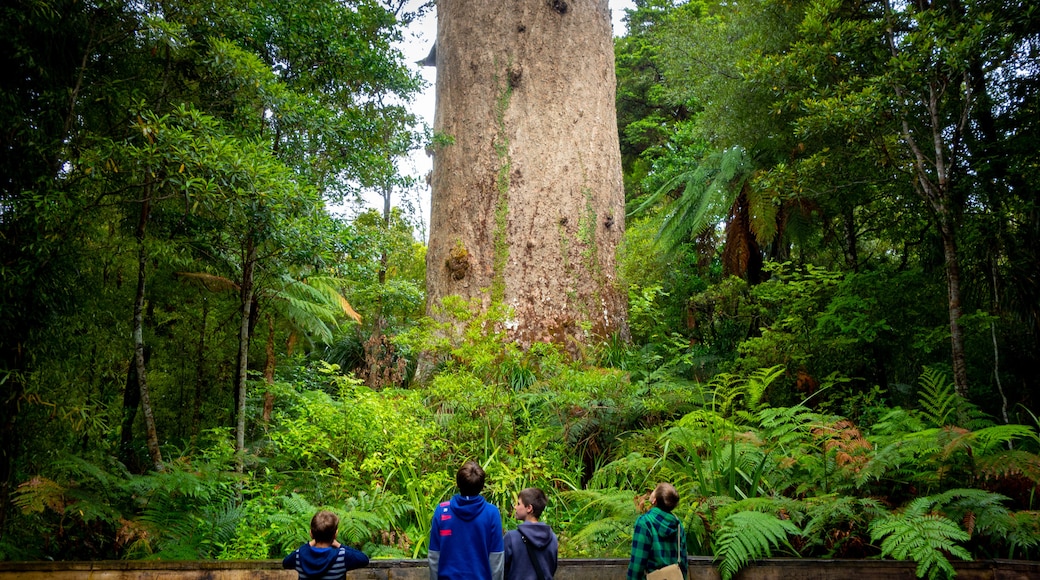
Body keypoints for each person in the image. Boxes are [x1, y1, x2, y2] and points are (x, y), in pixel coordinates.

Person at [428, 460, 505, 580]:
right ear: (481, 486)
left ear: (458, 483)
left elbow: (434, 556)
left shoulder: (442, 510)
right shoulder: (492, 513)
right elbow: (496, 560)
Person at [282, 510, 369, 580]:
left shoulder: (299, 555)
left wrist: (310, 543)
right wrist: (339, 545)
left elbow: (285, 563)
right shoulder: (342, 556)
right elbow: (364, 559)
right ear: (335, 534)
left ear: (311, 534)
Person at [627, 482, 688, 580]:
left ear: (654, 500)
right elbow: (683, 562)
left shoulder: (644, 523)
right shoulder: (677, 524)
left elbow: (637, 565)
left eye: (655, 490)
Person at [503, 487, 559, 580]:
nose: (515, 507)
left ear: (529, 508)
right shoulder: (552, 538)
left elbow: (503, 569)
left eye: (518, 504)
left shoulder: (511, 538)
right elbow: (552, 568)